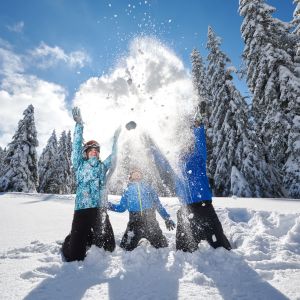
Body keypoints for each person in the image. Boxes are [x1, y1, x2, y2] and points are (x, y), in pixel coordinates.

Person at [148, 109, 231, 252]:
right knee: (183, 249)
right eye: (180, 146)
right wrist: (152, 146)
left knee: (222, 246)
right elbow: (162, 160)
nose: (183, 148)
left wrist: (198, 127)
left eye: (185, 145)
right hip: (186, 209)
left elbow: (201, 145)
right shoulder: (175, 165)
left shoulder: (198, 158)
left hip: (205, 207)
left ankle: (215, 239)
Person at [62, 107, 121, 262]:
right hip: (82, 210)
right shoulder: (80, 164)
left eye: (96, 150)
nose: (94, 151)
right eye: (91, 149)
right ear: (86, 153)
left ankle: (89, 235)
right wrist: (79, 125)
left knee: (109, 247)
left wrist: (116, 139)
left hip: (99, 210)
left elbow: (115, 156)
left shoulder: (102, 166)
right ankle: (73, 237)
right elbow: (75, 147)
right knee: (75, 256)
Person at [107, 169, 176, 251]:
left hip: (151, 223)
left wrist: (166, 218)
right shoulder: (127, 191)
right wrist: (107, 205)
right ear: (130, 176)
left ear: (141, 176)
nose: (136, 175)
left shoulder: (149, 188)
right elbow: (121, 208)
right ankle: (139, 241)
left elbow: (158, 205)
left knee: (163, 246)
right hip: (134, 224)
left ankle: (148, 240)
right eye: (134, 173)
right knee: (125, 247)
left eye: (138, 173)